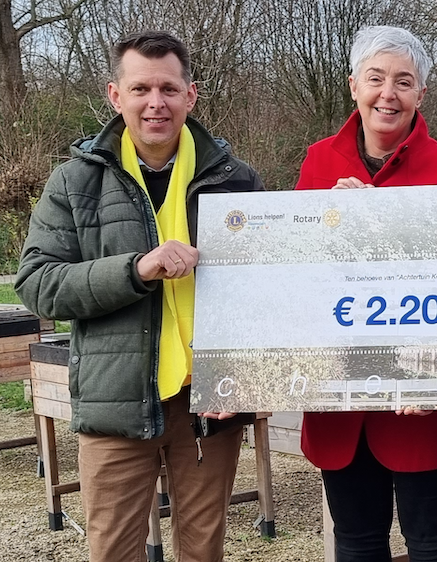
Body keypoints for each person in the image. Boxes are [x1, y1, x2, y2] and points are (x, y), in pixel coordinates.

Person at [14, 31, 263, 562]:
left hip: (209, 407)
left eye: (169, 89)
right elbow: (37, 284)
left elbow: (264, 296)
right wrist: (136, 269)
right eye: (141, 89)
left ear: (190, 95)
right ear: (115, 95)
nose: (156, 103)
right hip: (116, 404)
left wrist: (244, 380)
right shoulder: (74, 182)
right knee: (112, 552)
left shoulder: (236, 181)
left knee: (204, 551)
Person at [295, 25, 437, 562]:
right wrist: (327, 224)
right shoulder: (317, 163)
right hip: (341, 399)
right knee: (356, 543)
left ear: (421, 94)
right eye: (376, 78)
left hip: (421, 401)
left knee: (434, 543)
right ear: (354, 85)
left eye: (403, 82)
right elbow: (295, 274)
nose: (388, 94)